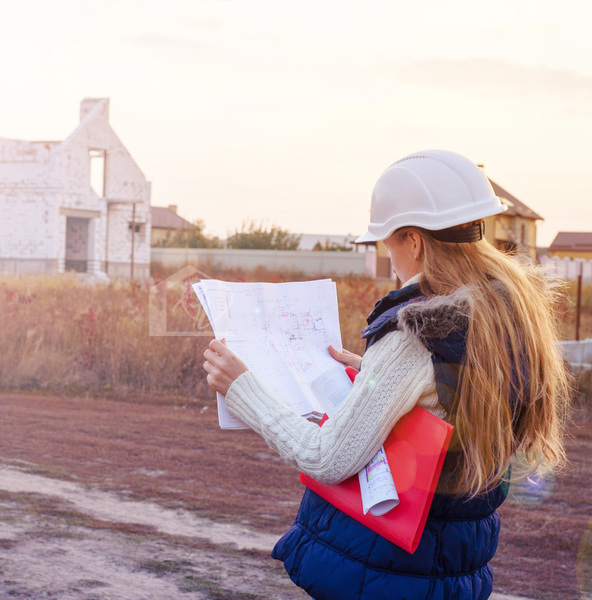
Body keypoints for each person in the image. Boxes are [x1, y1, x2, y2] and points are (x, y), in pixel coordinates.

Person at [202, 149, 572, 600]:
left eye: (388, 242)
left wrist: (243, 390)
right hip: (456, 571)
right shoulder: (508, 312)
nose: (389, 257)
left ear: (414, 241)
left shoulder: (417, 332)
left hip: (388, 572)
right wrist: (374, 376)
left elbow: (327, 459)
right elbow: (453, 393)